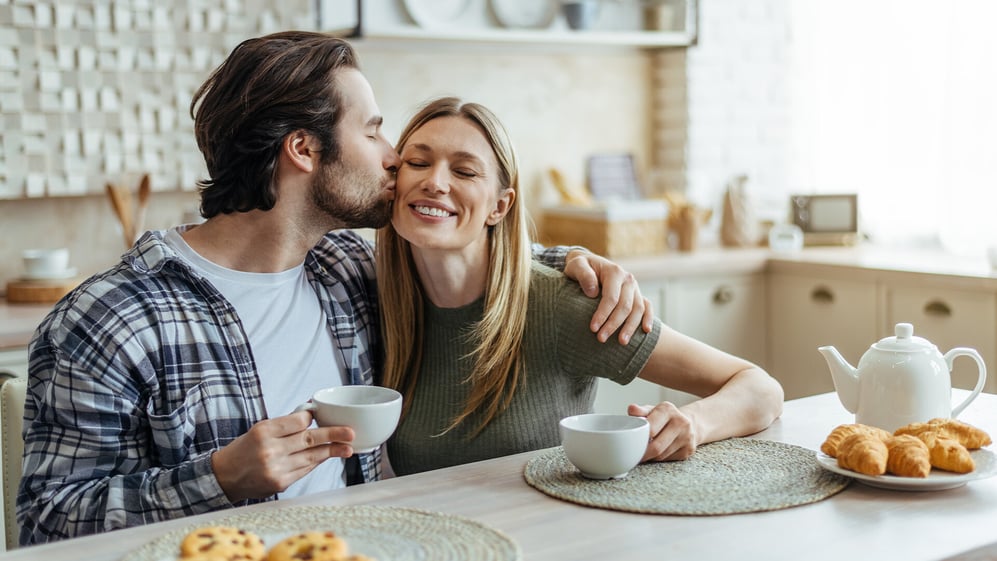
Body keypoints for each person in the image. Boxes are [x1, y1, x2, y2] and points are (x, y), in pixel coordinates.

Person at [17, 33, 653, 545]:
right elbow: (46, 522)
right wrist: (218, 479)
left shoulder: (346, 271)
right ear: (303, 149)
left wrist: (571, 259)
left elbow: (468, 244)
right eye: (373, 130)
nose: (392, 157)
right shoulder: (109, 319)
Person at [377, 97, 785, 475]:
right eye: (417, 162)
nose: (435, 182)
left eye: (464, 171)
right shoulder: (372, 302)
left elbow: (760, 389)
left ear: (500, 206)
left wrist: (692, 423)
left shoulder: (560, 307)